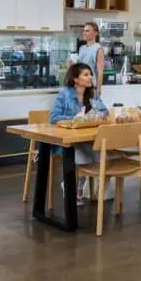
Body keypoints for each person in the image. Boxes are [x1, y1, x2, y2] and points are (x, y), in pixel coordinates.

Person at [49, 63, 109, 206]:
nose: (90, 78)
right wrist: (75, 119)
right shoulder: (65, 94)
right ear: (76, 78)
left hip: (85, 140)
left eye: (90, 75)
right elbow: (54, 117)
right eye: (86, 74)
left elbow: (105, 112)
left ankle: (82, 188)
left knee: (100, 155)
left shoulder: (92, 94)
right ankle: (71, 187)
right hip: (66, 142)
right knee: (82, 158)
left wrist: (96, 116)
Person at [78, 22, 104, 95]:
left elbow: (100, 72)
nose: (84, 33)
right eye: (84, 31)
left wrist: (98, 89)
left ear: (95, 33)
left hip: (91, 87)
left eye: (87, 31)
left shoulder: (99, 49)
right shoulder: (82, 48)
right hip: (80, 86)